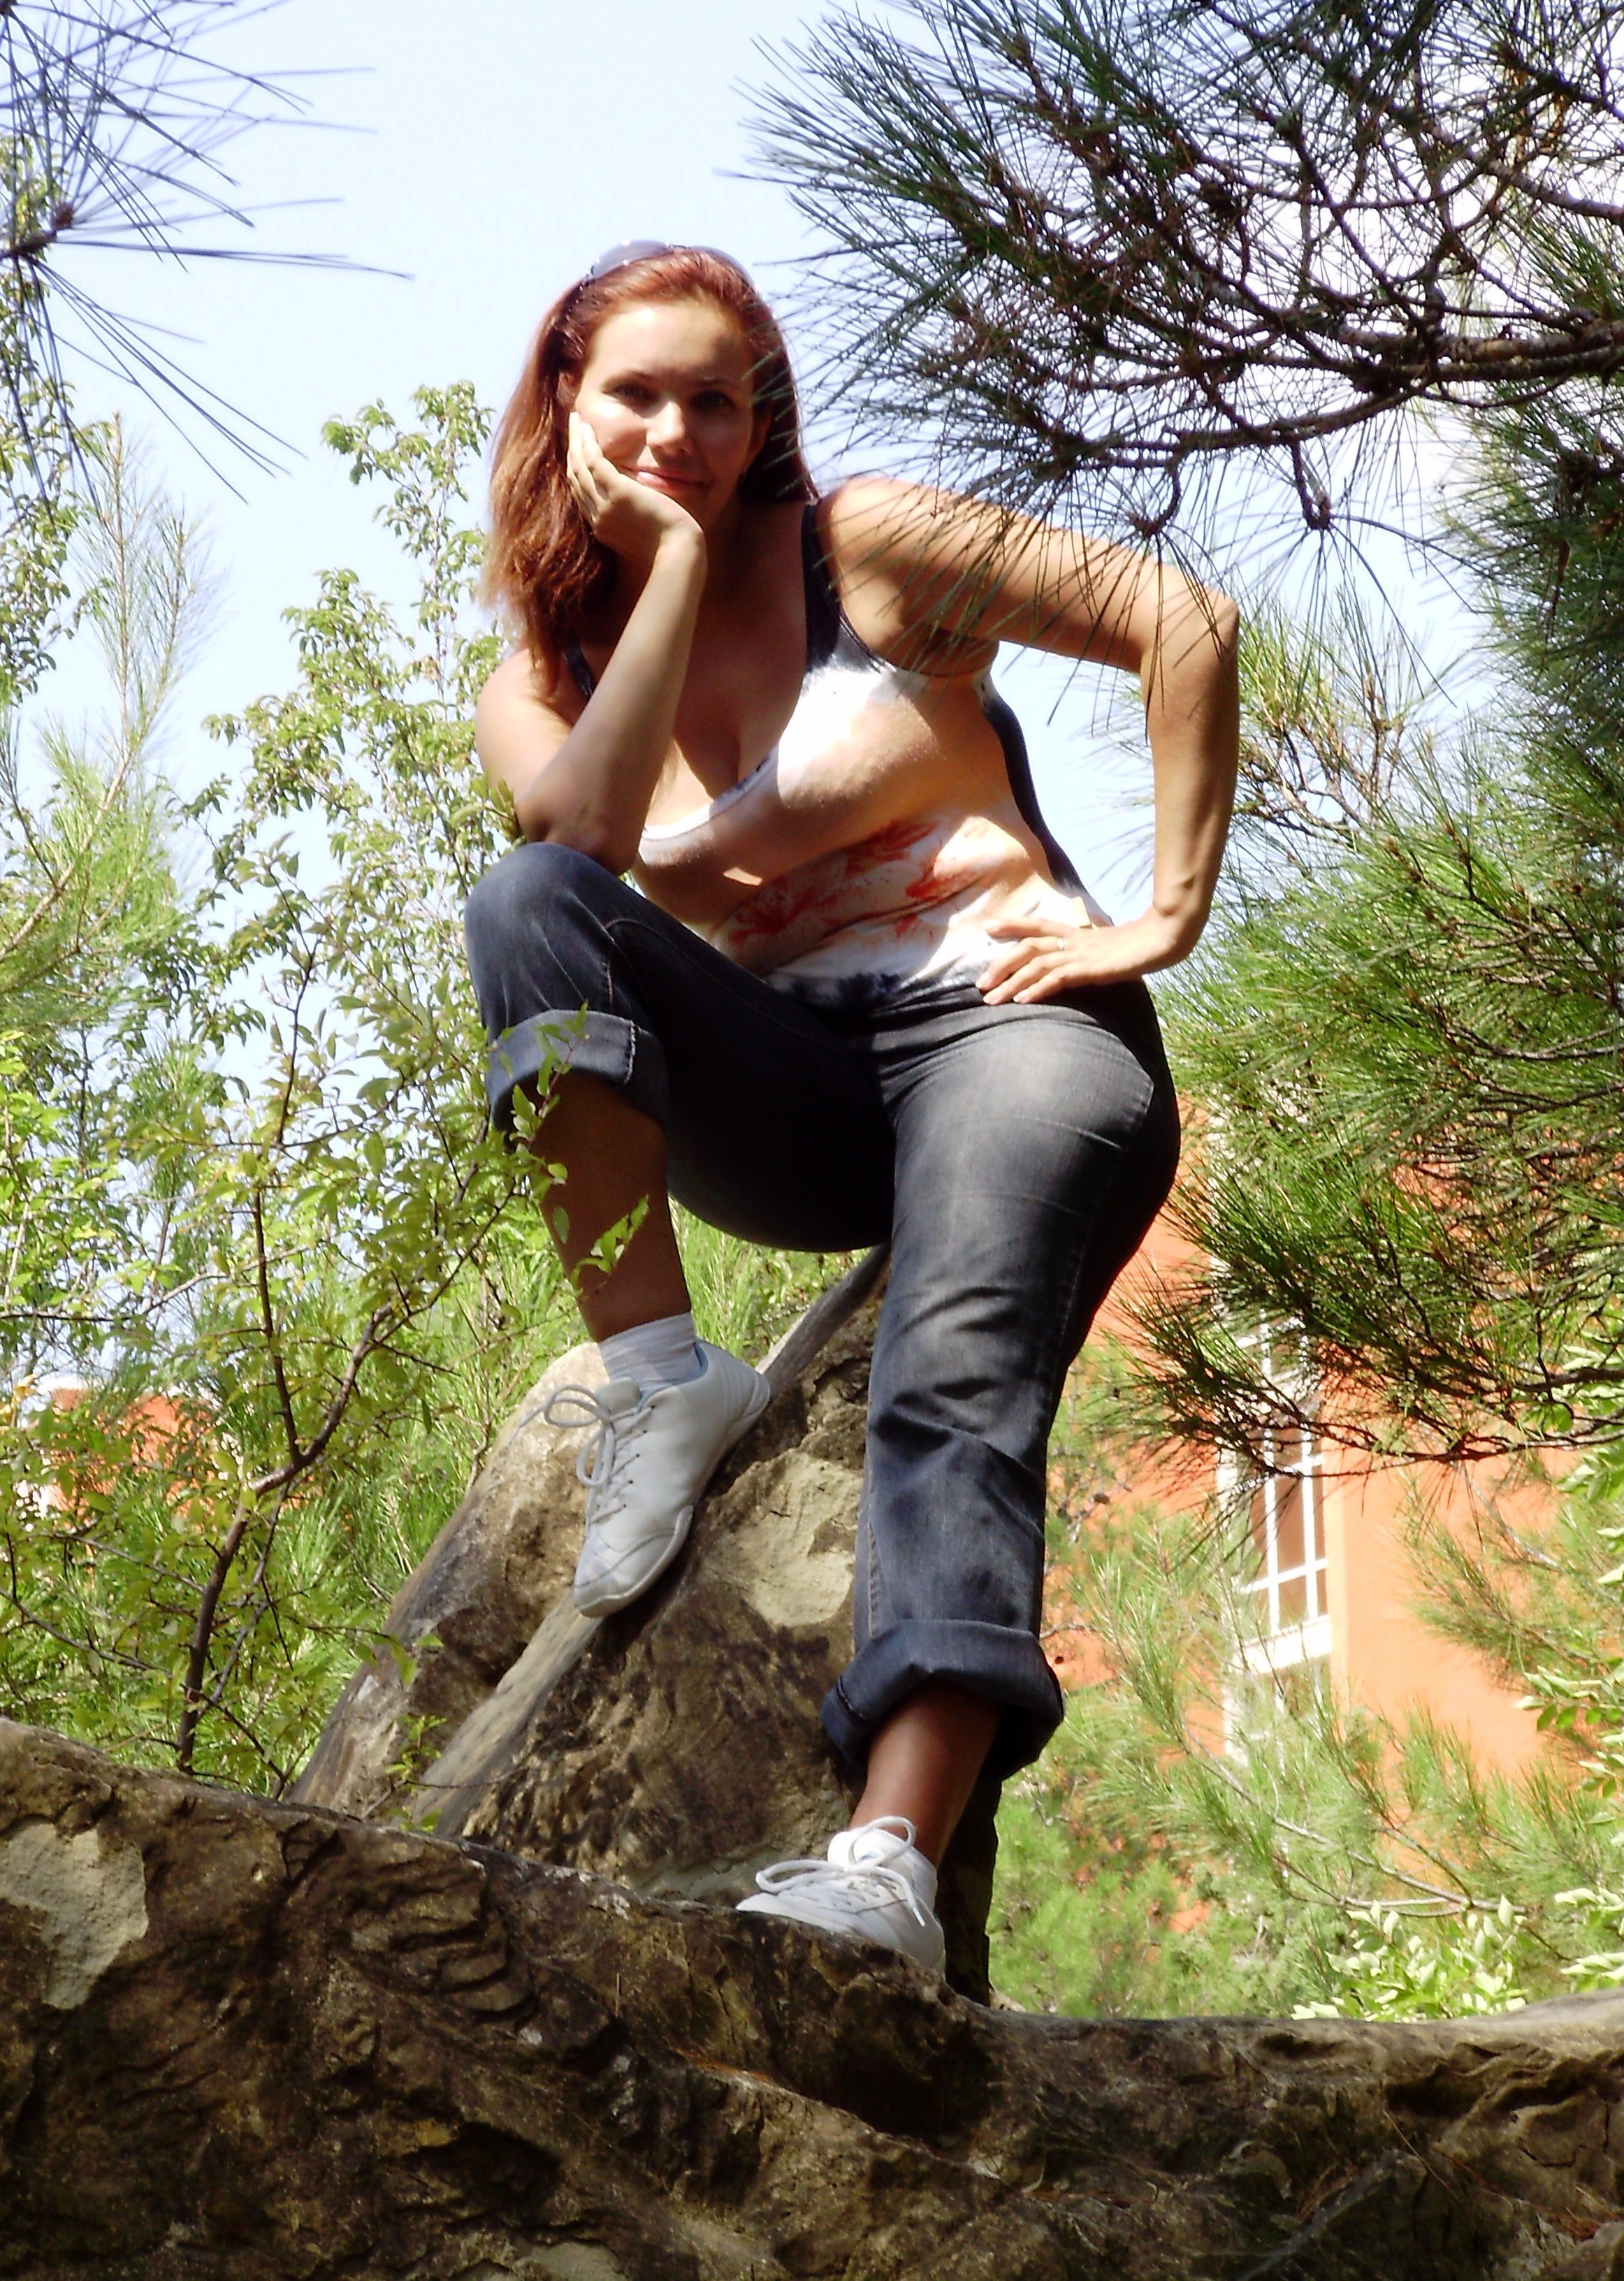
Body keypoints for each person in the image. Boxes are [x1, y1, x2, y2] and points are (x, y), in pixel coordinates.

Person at [465, 242, 1237, 1975]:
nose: (677, 433)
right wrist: (669, 568)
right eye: (636, 396)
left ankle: (888, 1862)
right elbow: (576, 846)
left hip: (1012, 1029)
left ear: (764, 420)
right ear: (565, 406)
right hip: (801, 1093)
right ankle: (661, 1382)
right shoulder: (544, 682)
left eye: (714, 400)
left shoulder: (867, 549)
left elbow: (1181, 617)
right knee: (521, 908)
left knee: (949, 1368)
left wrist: (1164, 914)